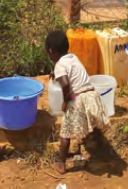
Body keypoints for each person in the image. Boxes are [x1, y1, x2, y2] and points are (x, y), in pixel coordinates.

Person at [46, 30, 110, 175]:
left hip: (77, 100)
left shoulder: (59, 65)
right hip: (92, 96)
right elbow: (71, 72)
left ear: (51, 51)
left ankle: (61, 163)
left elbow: (66, 84)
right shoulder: (73, 57)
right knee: (92, 127)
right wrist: (55, 73)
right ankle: (102, 153)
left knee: (65, 134)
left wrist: (65, 101)